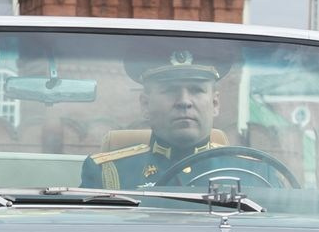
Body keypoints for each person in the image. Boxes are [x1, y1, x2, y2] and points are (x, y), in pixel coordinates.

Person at [81, 49, 240, 188]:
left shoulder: (254, 171)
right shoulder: (108, 173)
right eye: (170, 90)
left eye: (196, 90)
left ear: (215, 103)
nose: (184, 101)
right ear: (145, 105)